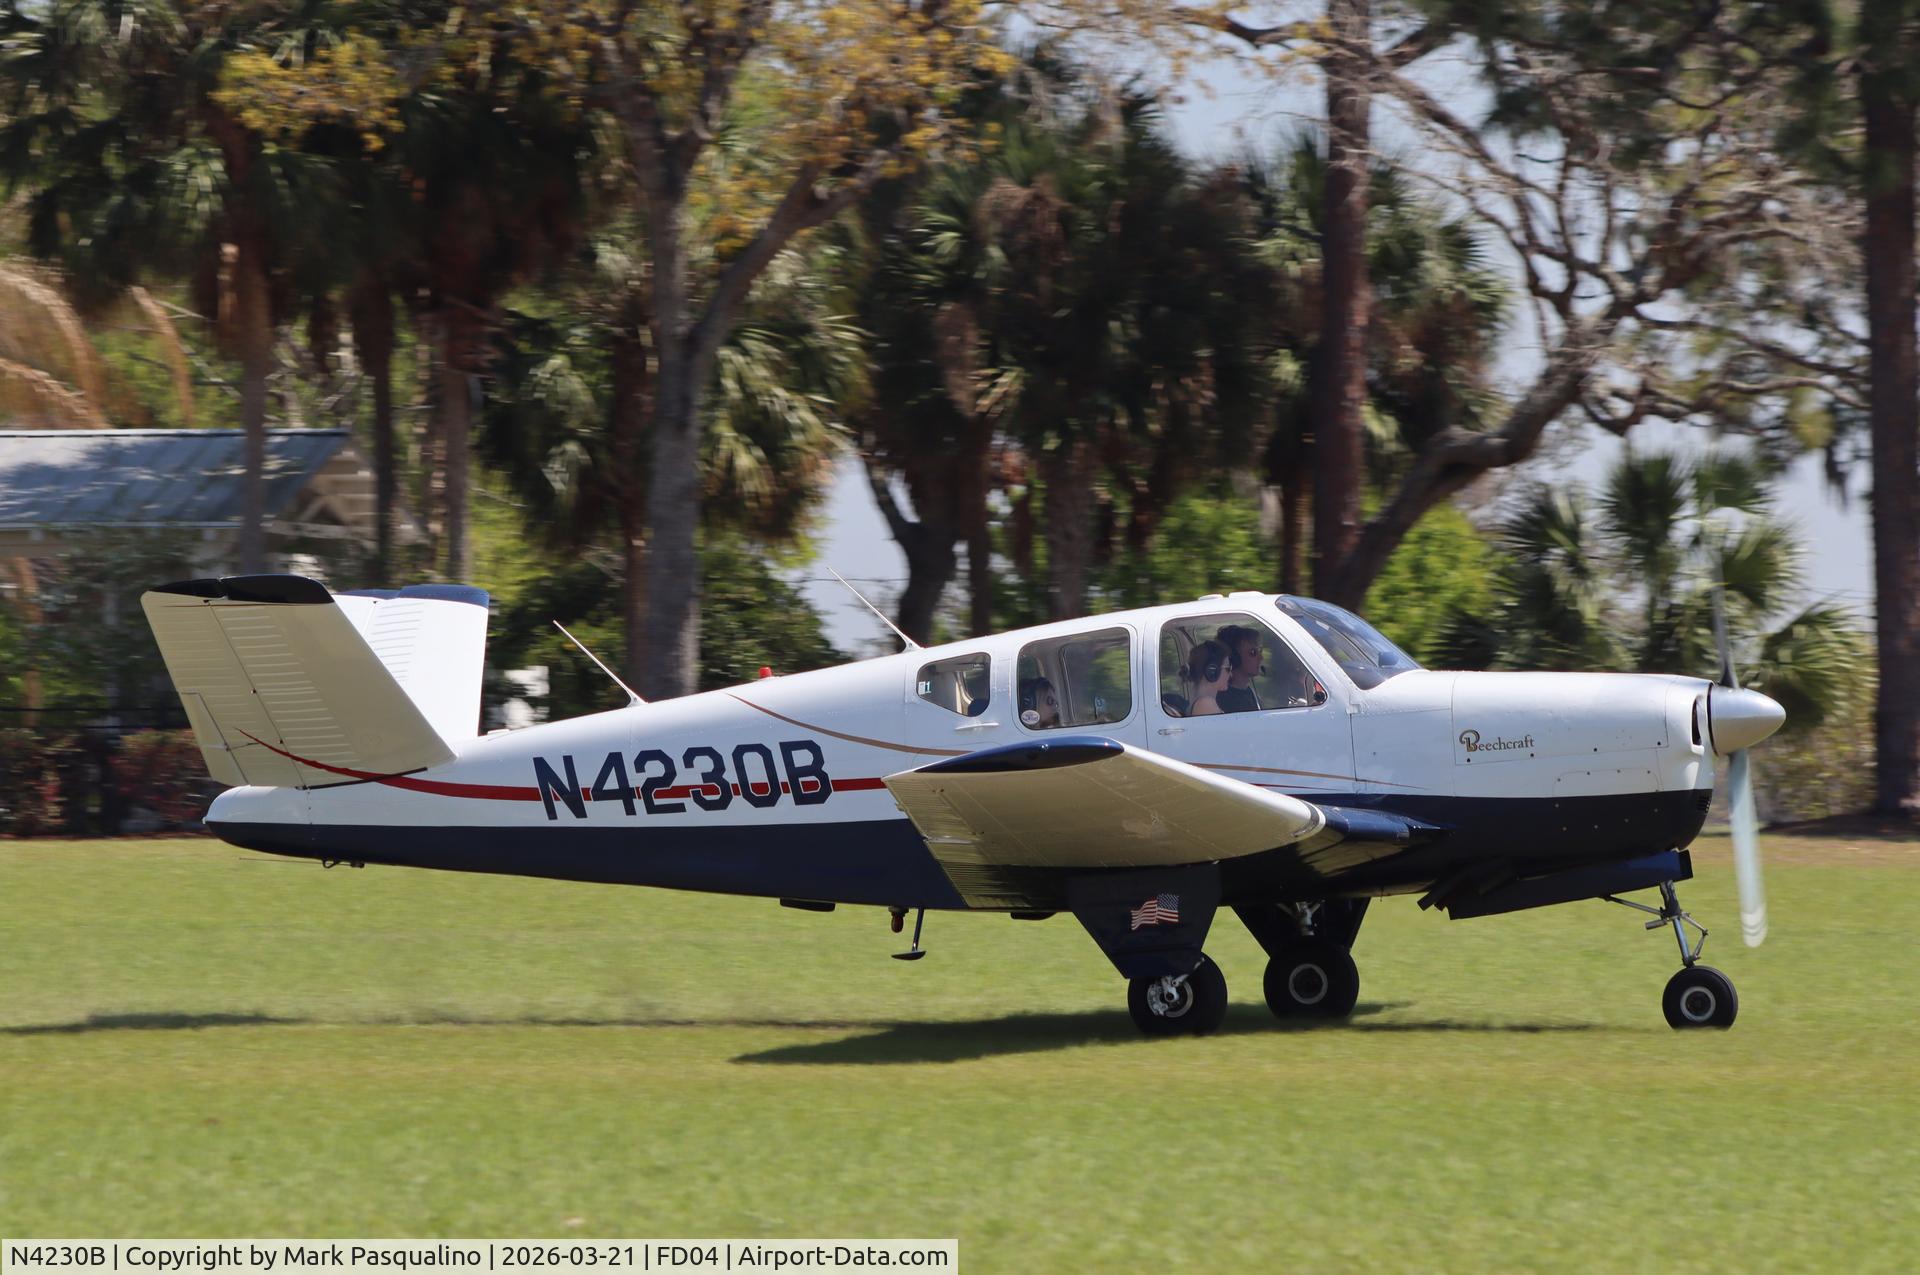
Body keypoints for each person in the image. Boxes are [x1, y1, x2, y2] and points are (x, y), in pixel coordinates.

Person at [1216, 625, 1264, 714]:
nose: (1261, 657)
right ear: (1234, 658)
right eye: (1253, 652)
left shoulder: (1249, 692)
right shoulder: (1226, 701)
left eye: (1260, 651)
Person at [1182, 640, 1232, 716]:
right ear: (1212, 670)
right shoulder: (1205, 704)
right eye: (1228, 669)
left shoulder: (1203, 701)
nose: (1231, 674)